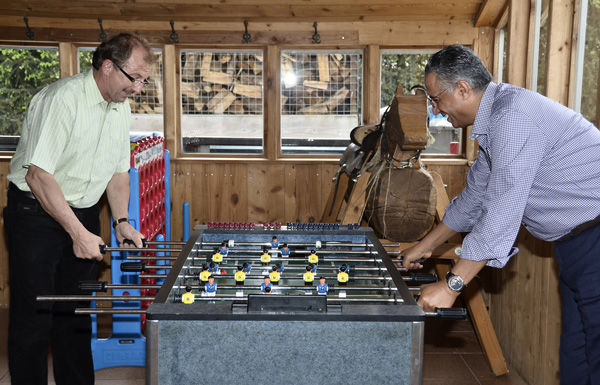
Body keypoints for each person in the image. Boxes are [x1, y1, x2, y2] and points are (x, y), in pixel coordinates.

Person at [400, 44, 600, 384]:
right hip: (575, 246)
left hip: (594, 239)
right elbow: (474, 197)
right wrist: (425, 246)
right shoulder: (495, 120)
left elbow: (501, 212)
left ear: (462, 89)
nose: (435, 110)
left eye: (436, 99)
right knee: (577, 352)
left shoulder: (513, 117)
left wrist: (452, 284)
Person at [3, 32, 152, 385]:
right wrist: (77, 234)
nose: (140, 88)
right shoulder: (63, 99)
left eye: (145, 80)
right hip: (36, 213)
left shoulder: (120, 105)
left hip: (83, 212)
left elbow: (118, 172)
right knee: (35, 317)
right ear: (107, 67)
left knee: (76, 315)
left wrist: (121, 221)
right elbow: (39, 176)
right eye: (136, 78)